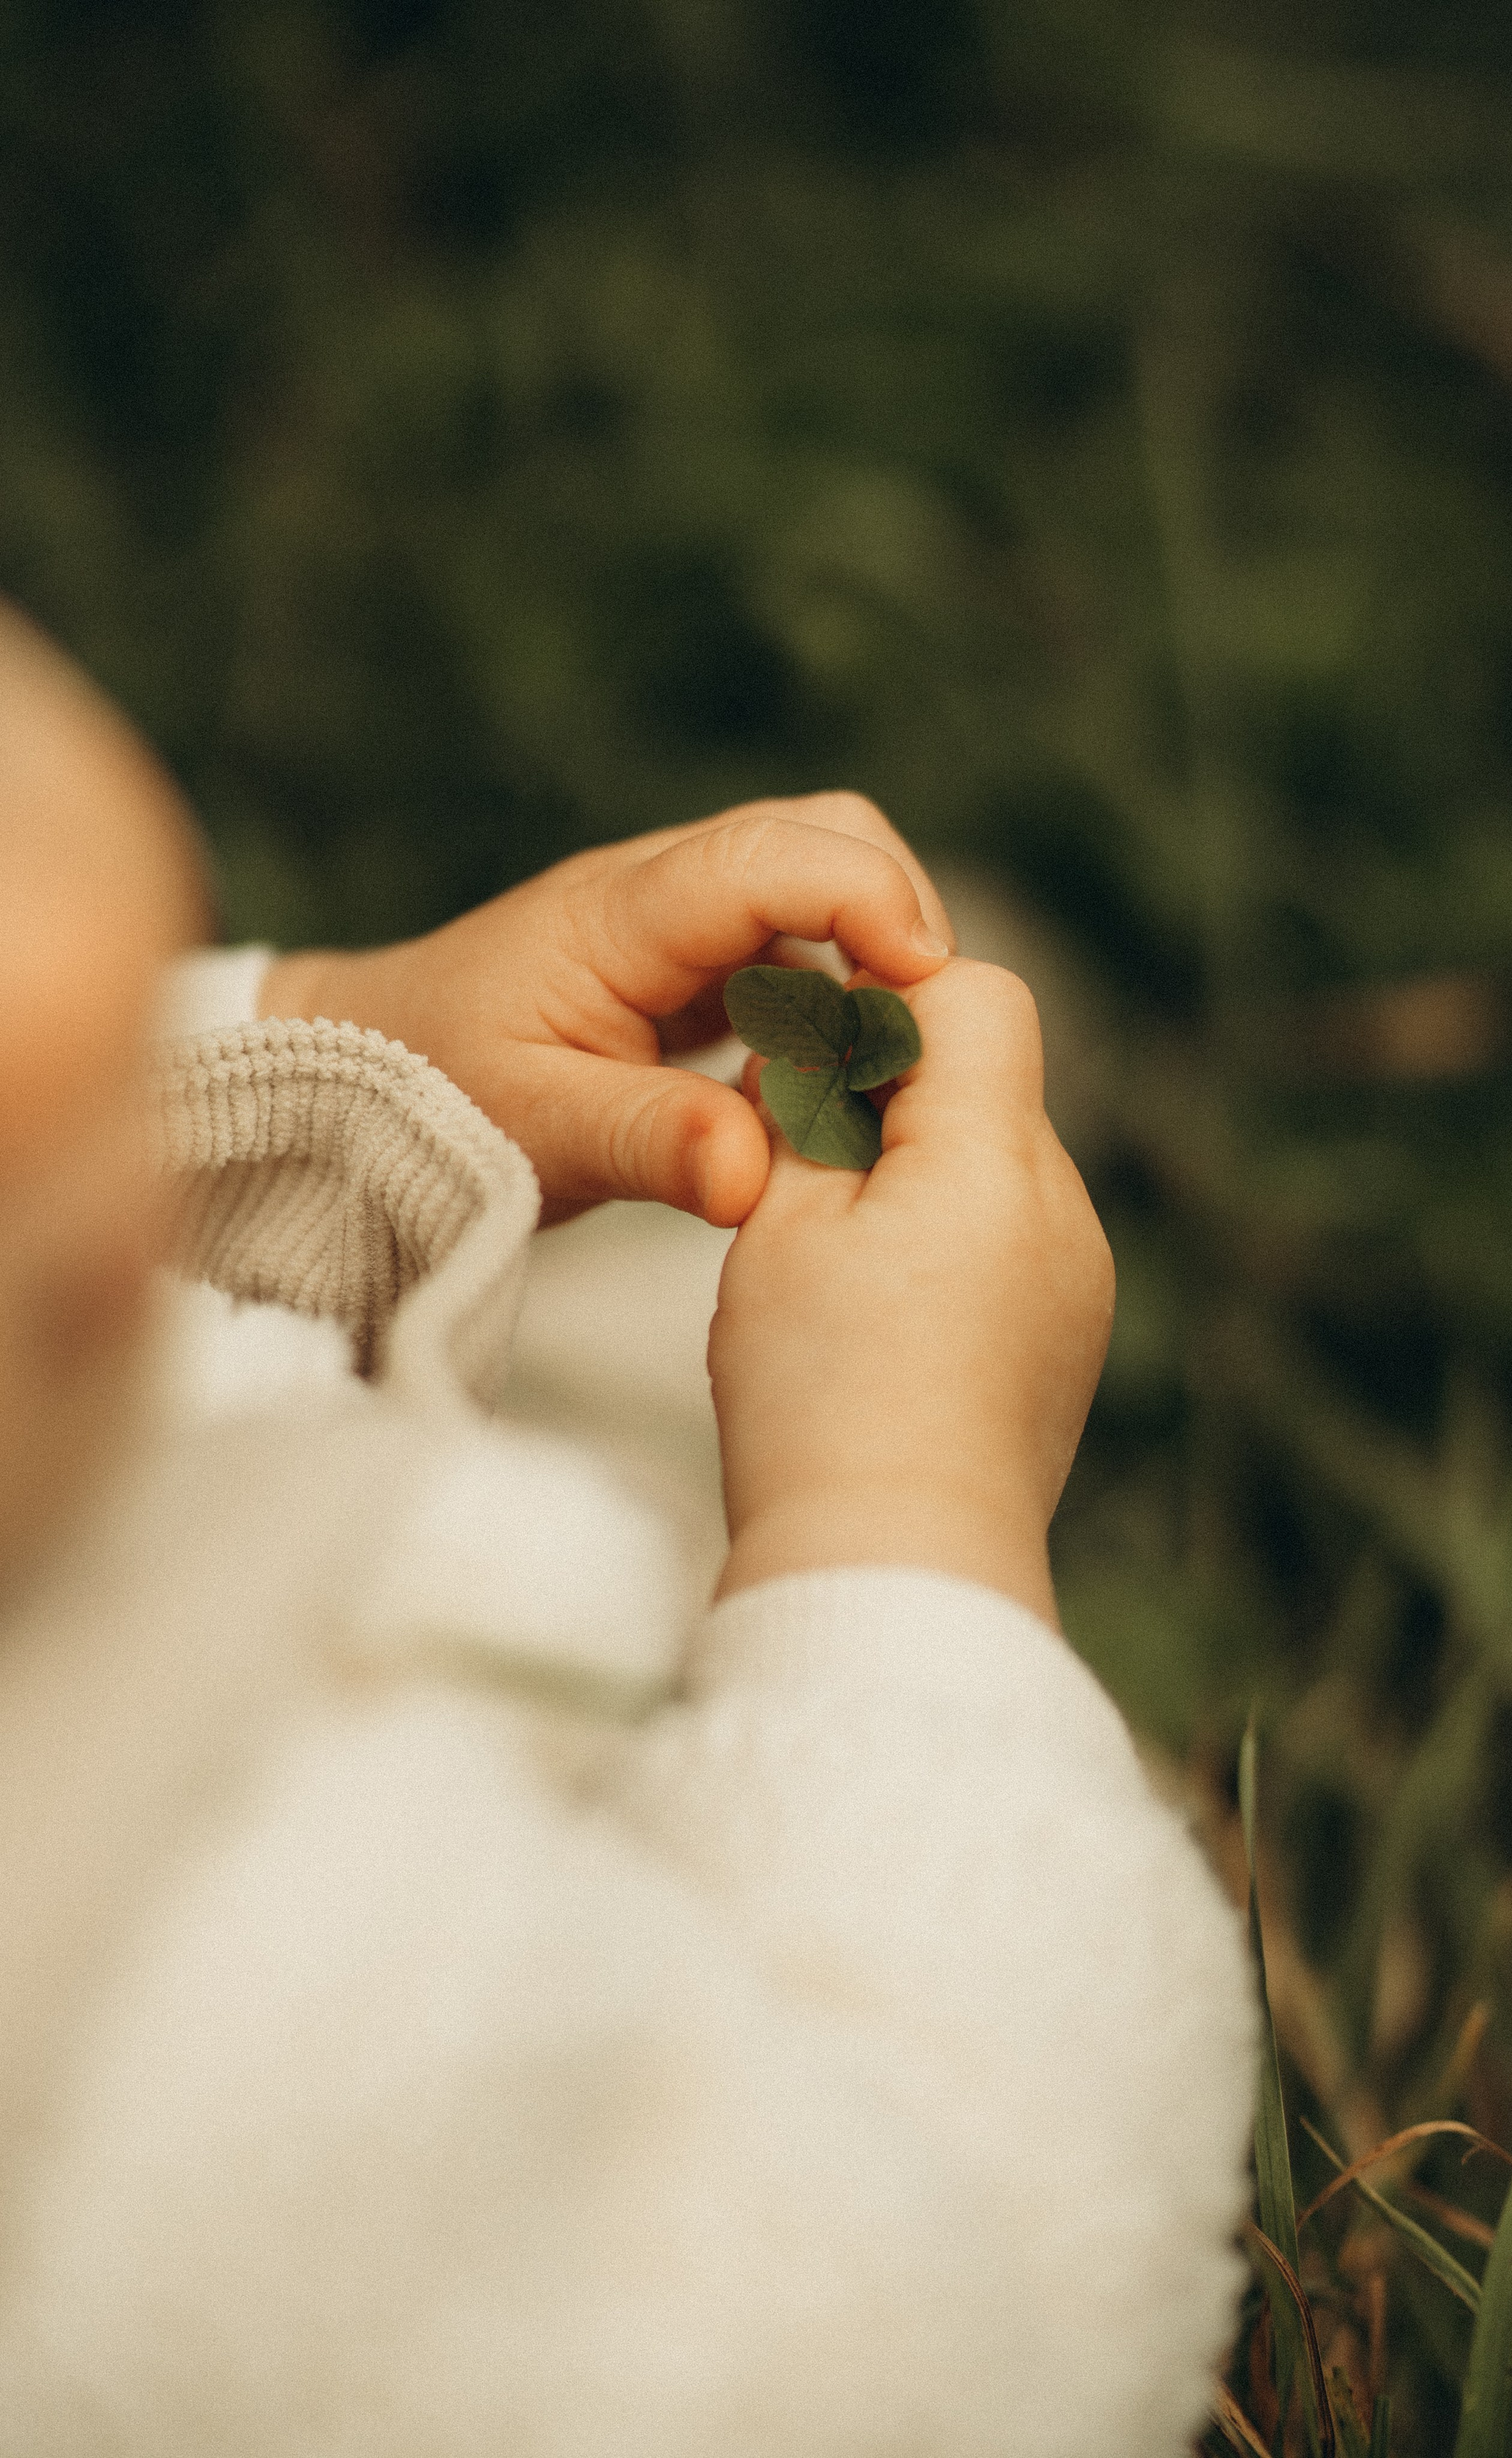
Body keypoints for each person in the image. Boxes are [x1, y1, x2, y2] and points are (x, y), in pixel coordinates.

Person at [0, 597, 1256, 2456]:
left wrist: (330, 1048)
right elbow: (946, 2328)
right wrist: (902, 1528)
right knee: (695, 1549)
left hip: (323, 1517)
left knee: (586, 1361)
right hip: (626, 1934)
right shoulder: (219, 2063)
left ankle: (627, 1375)